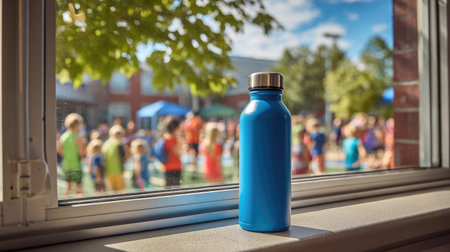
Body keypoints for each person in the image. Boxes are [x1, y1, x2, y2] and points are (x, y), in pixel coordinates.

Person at [57, 113, 87, 197]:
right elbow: (81, 152)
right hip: (76, 164)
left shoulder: (63, 136)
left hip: (66, 164)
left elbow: (59, 149)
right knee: (79, 187)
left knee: (68, 186)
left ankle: (66, 201)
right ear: (78, 125)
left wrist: (66, 155)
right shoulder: (78, 137)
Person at [102, 125, 128, 193]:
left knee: (112, 191)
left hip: (108, 171)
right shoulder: (119, 143)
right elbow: (124, 157)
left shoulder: (105, 144)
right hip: (118, 170)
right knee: (120, 191)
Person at [163, 117, 183, 186]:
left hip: (167, 167)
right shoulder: (172, 140)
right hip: (175, 167)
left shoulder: (165, 138)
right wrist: (180, 142)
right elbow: (178, 153)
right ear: (176, 128)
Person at [184, 112, 203, 179]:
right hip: (192, 141)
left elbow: (197, 129)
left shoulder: (190, 122)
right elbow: (197, 129)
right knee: (193, 156)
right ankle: (193, 171)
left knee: (193, 156)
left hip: (192, 141)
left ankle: (193, 171)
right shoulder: (194, 121)